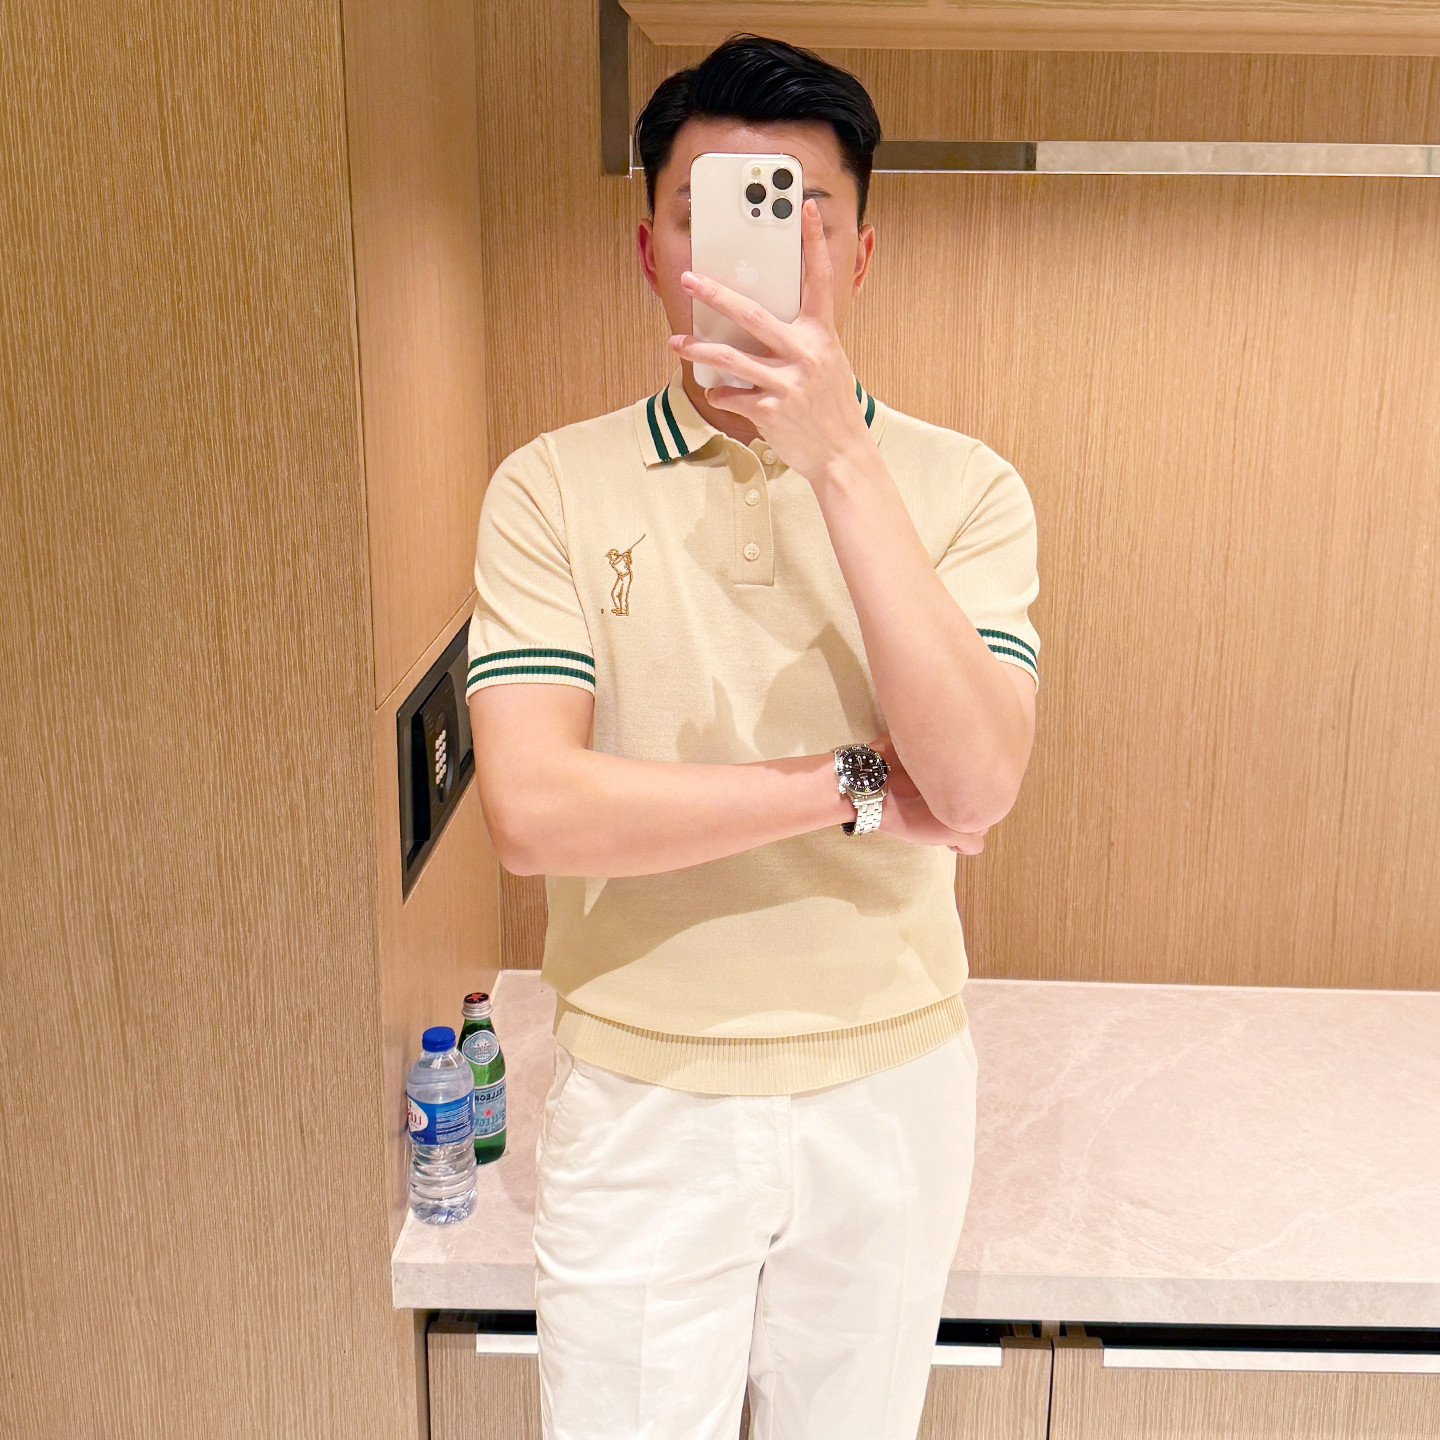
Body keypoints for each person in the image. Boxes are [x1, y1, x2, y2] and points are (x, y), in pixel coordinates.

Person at [465, 32, 1041, 1440]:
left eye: (797, 212)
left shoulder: (964, 488)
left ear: (859, 253)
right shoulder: (551, 487)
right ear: (649, 253)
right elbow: (533, 812)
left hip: (891, 1089)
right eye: (703, 213)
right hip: (640, 1088)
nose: (749, 253)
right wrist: (852, 781)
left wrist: (837, 454)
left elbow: (975, 785)